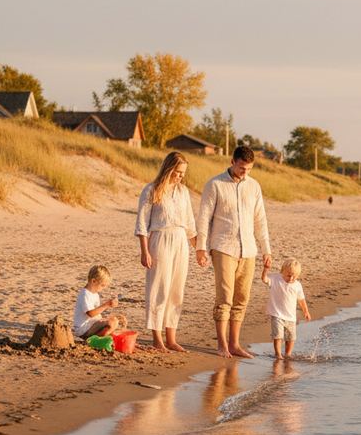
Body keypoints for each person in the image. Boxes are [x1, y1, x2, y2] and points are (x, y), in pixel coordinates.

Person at [196, 145, 271, 358]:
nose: (244, 172)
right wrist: (201, 247)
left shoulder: (254, 186)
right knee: (225, 297)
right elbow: (204, 217)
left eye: (248, 169)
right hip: (223, 247)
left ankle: (235, 344)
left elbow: (260, 219)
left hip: (248, 249)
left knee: (242, 298)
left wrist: (266, 250)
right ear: (232, 162)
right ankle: (222, 345)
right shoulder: (215, 184)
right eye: (241, 168)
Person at [135, 151, 197, 352]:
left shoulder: (183, 192)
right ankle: (157, 338)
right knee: (159, 289)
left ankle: (171, 338)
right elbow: (142, 224)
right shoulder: (151, 190)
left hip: (181, 240)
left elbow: (189, 224)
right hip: (160, 239)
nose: (180, 176)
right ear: (169, 168)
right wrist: (145, 251)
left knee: (176, 291)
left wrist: (200, 250)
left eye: (183, 173)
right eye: (177, 172)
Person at [261, 257, 311, 359]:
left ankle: (288, 353)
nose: (291, 279)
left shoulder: (297, 285)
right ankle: (278, 354)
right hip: (277, 314)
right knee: (278, 335)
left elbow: (301, 299)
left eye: (295, 276)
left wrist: (306, 312)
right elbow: (264, 279)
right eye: (289, 276)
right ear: (282, 271)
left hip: (291, 317)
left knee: (291, 337)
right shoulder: (275, 278)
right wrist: (265, 269)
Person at [73, 264, 127, 341]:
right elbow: (90, 313)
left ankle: (99, 338)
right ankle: (92, 340)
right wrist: (106, 305)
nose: (103, 288)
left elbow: (96, 313)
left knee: (114, 321)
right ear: (93, 281)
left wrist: (102, 319)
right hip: (83, 329)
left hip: (90, 325)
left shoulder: (95, 294)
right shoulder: (85, 294)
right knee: (112, 322)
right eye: (102, 285)